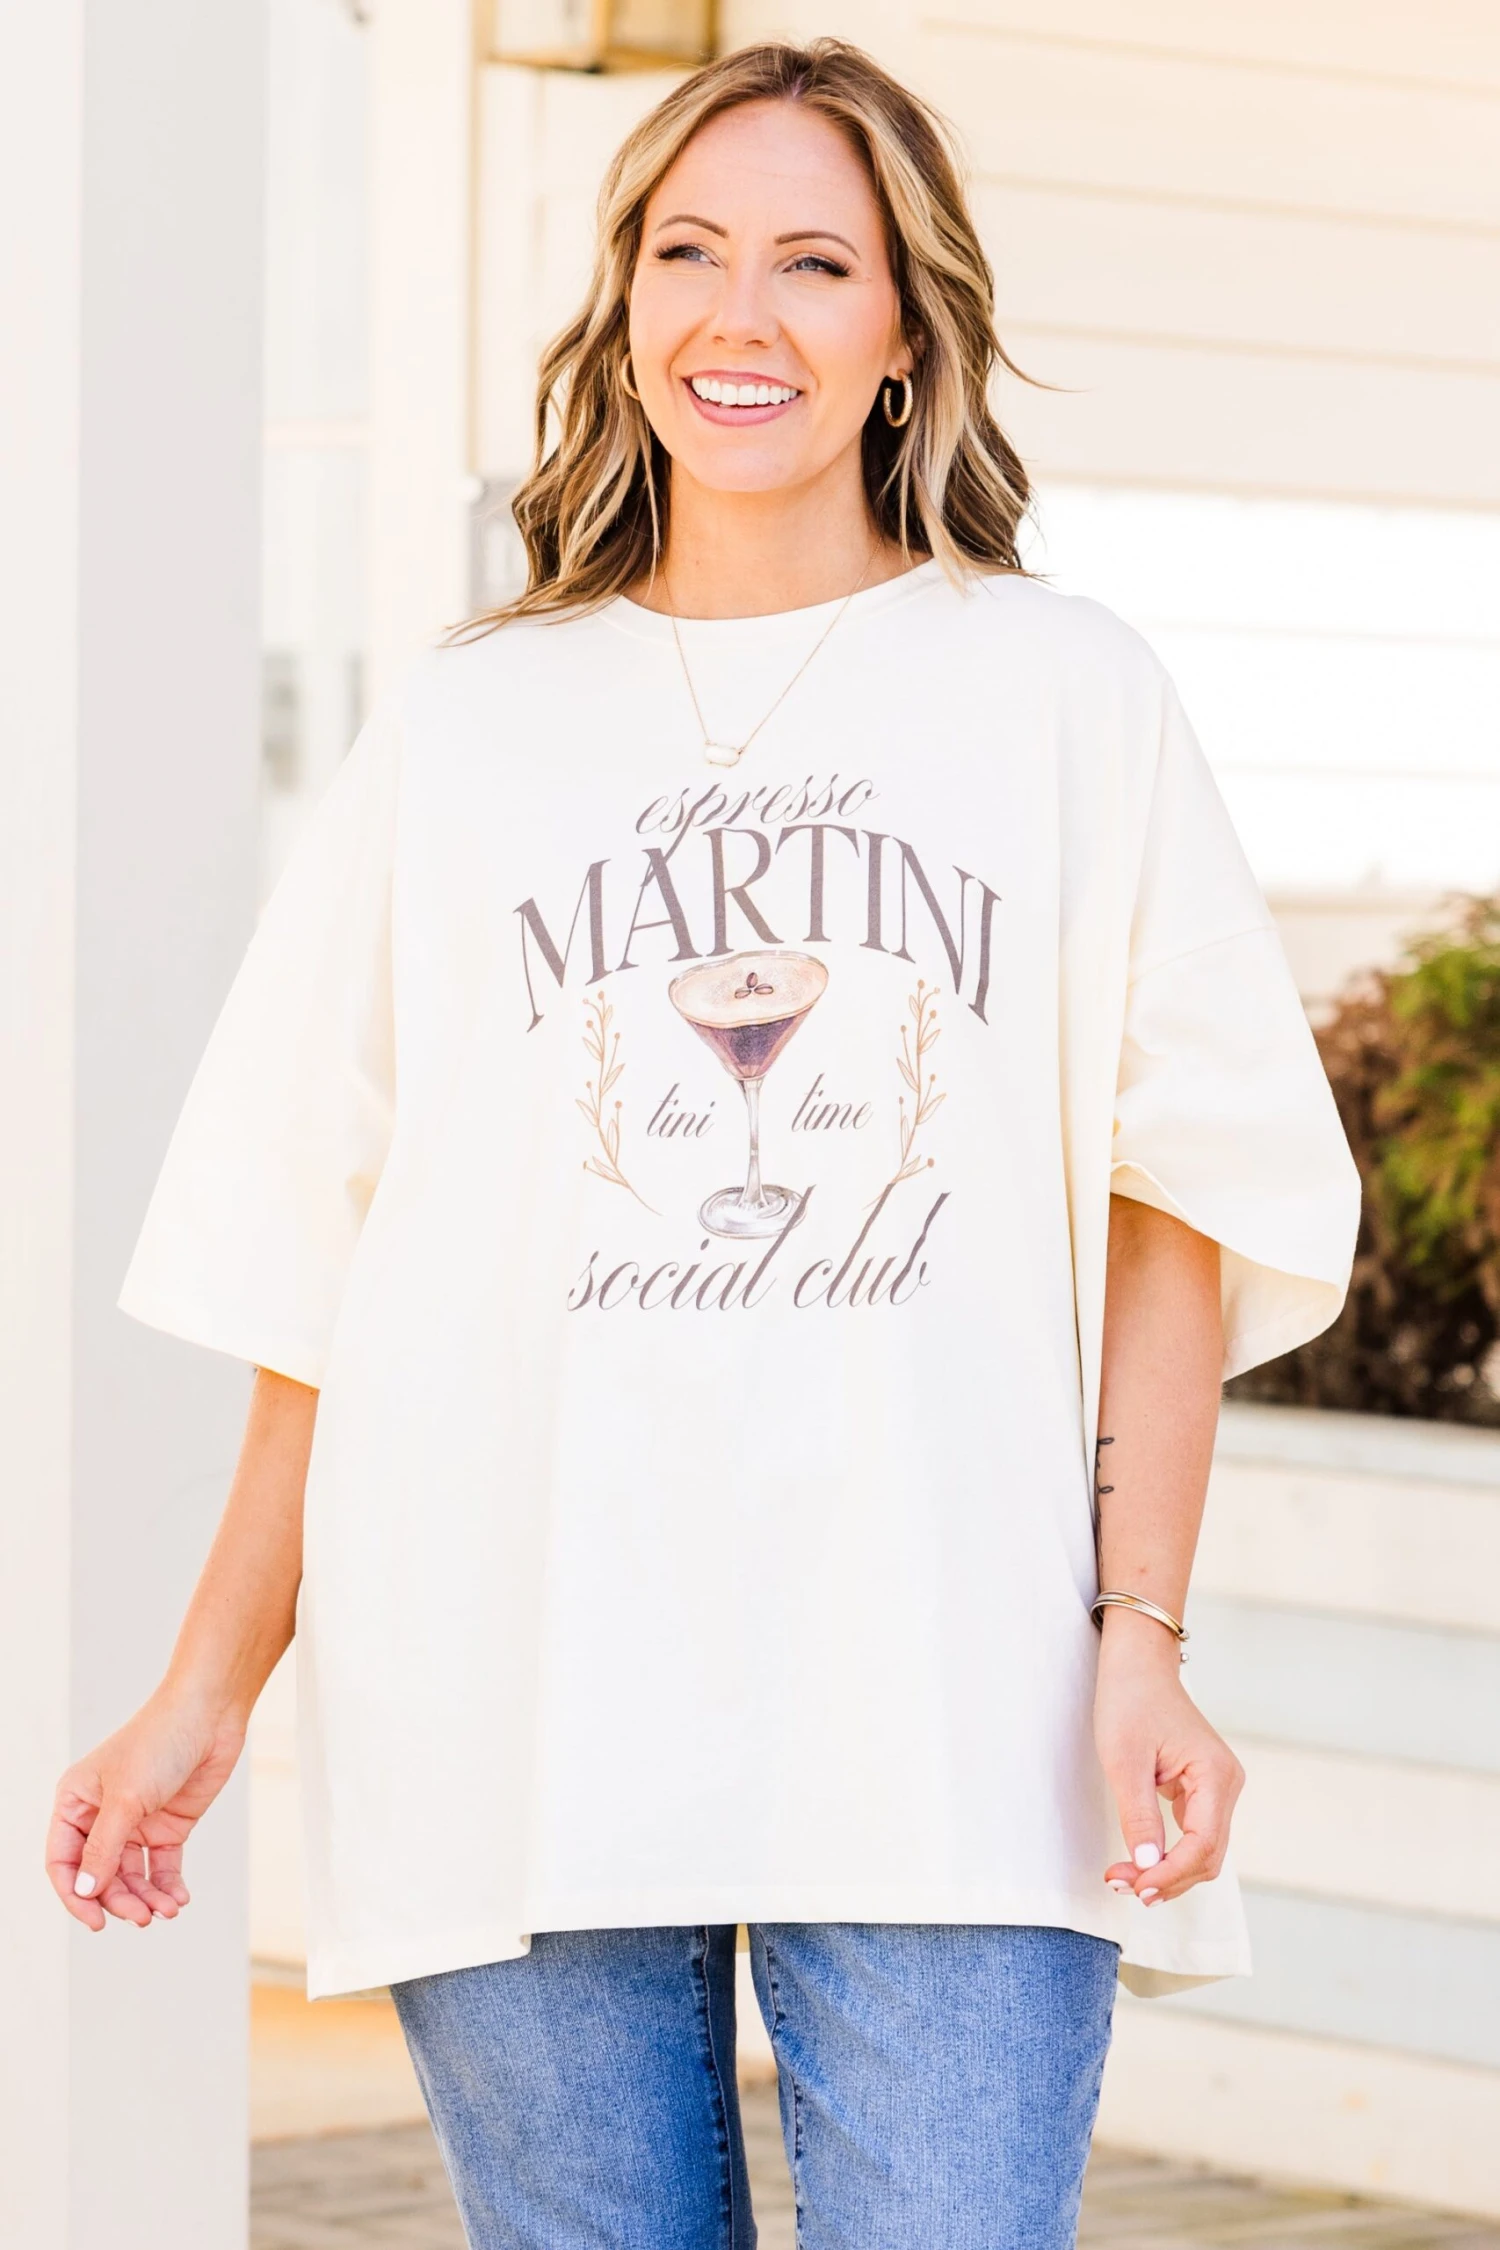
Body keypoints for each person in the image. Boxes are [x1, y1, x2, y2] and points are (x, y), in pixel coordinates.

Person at [47, 39, 1359, 2250]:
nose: (741, 315)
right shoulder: (468, 726)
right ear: (626, 298)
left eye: (815, 263)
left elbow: (1179, 1197)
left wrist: (1140, 1630)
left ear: (908, 329)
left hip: (950, 1689)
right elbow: (329, 1260)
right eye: (689, 252)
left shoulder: (1063, 694)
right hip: (513, 1678)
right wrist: (205, 1688)